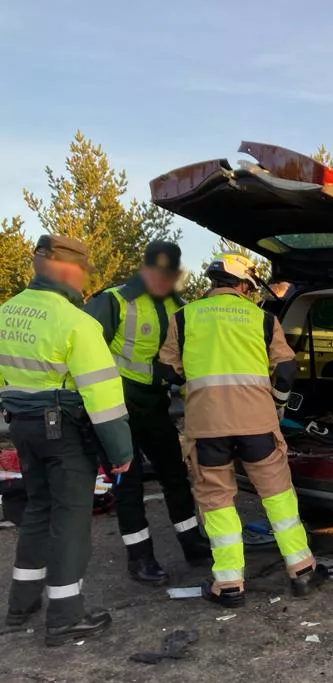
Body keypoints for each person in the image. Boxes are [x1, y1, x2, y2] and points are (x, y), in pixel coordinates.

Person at [157, 253, 323, 607]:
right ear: (245, 285)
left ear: (213, 282)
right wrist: (276, 405)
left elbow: (167, 372)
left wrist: (195, 383)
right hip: (258, 426)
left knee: (217, 502)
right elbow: (287, 369)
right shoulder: (263, 319)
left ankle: (229, 585)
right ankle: (302, 571)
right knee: (277, 495)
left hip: (207, 428)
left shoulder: (183, 319)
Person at [0, 236, 133, 645]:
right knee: (72, 519)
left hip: (21, 425)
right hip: (62, 430)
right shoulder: (76, 322)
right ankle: (65, 615)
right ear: (67, 269)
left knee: (38, 508)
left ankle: (20, 604)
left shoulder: (6, 312)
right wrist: (121, 451)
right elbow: (102, 396)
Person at [84, 241, 210, 584]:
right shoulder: (112, 301)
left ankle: (192, 542)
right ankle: (139, 558)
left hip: (154, 406)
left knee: (174, 473)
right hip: (115, 409)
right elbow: (84, 356)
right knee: (129, 484)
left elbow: (186, 360)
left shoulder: (177, 306)